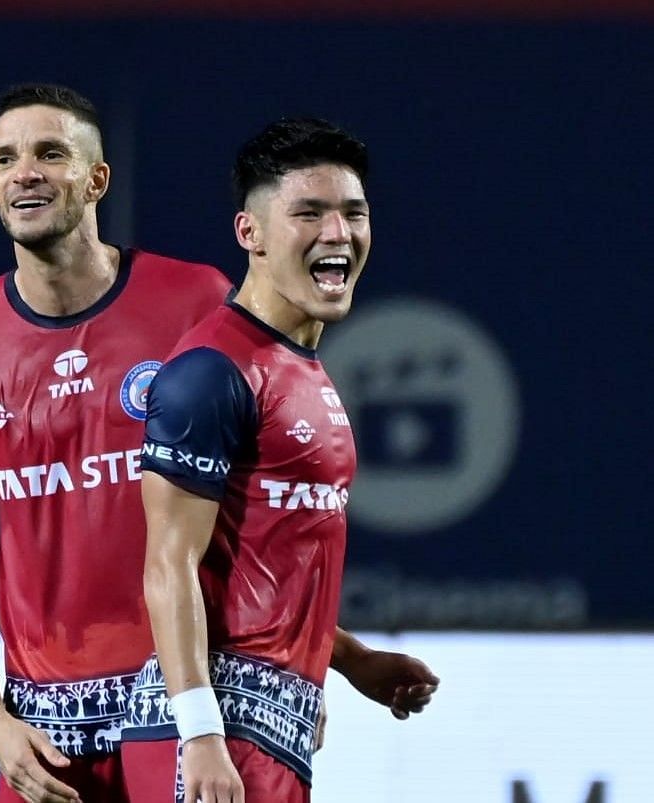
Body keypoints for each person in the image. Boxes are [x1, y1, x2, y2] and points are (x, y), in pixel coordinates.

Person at [0, 83, 233, 803]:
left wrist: (295, 663)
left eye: (49, 153)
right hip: (42, 722)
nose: (23, 171)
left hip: (177, 698)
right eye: (4, 159)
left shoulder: (196, 303)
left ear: (97, 181)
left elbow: (258, 507)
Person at [120, 118, 440, 802]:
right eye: (310, 213)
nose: (338, 233)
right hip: (216, 731)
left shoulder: (300, 367)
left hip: (271, 729)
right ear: (250, 234)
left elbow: (263, 562)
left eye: (354, 213)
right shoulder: (210, 372)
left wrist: (349, 659)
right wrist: (200, 733)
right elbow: (166, 563)